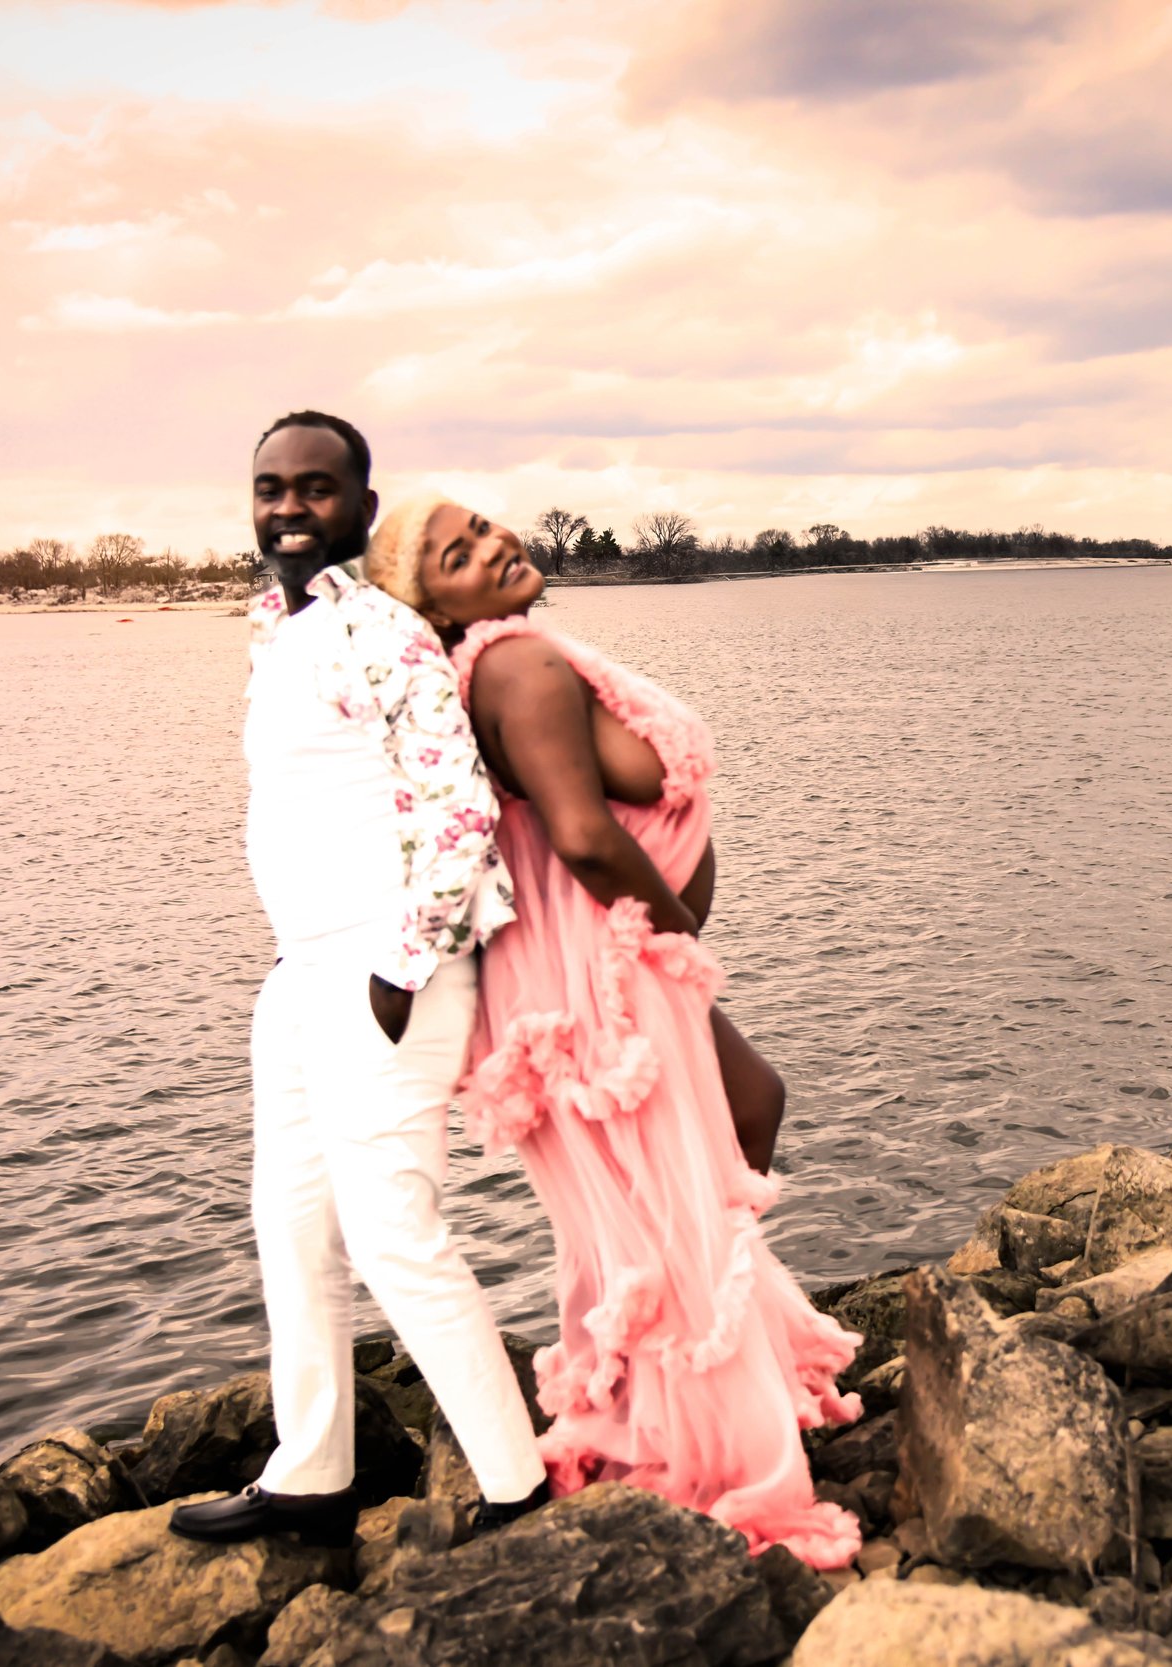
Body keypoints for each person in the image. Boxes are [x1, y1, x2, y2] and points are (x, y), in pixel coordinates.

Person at [356, 493, 863, 1568]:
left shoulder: (497, 664)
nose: (492, 544)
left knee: (728, 1127)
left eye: (484, 525)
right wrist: (680, 936)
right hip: (604, 964)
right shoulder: (517, 668)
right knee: (670, 1202)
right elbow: (584, 835)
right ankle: (716, 1455)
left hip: (584, 956)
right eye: (456, 552)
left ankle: (675, 1400)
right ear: (430, 602)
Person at [171, 417, 549, 1548]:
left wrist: (401, 965)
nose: (289, 506)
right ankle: (310, 1471)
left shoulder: (382, 630)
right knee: (292, 1223)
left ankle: (518, 1487)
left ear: (361, 502)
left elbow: (457, 809)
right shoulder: (274, 625)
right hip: (301, 971)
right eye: (270, 487)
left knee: (394, 1230)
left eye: (316, 488)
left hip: (389, 971)